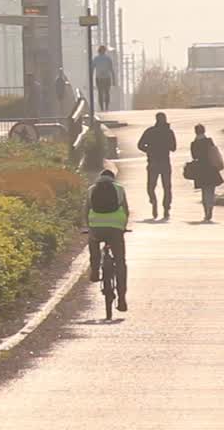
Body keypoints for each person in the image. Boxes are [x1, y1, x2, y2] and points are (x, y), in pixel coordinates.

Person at [86, 168, 128, 312]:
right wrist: (123, 227)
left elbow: (86, 210)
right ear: (113, 178)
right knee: (120, 261)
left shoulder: (92, 189)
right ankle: (121, 299)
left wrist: (89, 227)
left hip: (96, 227)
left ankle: (95, 270)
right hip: (115, 228)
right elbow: (126, 210)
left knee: (93, 242)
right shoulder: (119, 189)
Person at [137, 111, 177, 220]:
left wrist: (149, 150)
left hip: (153, 162)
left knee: (151, 186)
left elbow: (140, 145)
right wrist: (166, 146)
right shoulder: (169, 132)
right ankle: (166, 209)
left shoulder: (150, 131)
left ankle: (154, 201)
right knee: (167, 187)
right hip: (164, 162)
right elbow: (173, 147)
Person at [190, 124, 224, 222]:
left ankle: (206, 211)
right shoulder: (209, 141)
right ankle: (210, 209)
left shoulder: (194, 144)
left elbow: (194, 156)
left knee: (204, 191)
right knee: (211, 190)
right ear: (204, 131)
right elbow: (214, 152)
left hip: (200, 168)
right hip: (211, 167)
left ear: (195, 132)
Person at [91, 46, 116, 112]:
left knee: (100, 93)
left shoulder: (96, 59)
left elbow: (92, 69)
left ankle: (102, 108)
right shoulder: (108, 58)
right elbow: (111, 70)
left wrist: (91, 80)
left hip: (99, 78)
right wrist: (114, 80)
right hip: (107, 78)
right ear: (105, 51)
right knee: (107, 92)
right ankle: (106, 107)